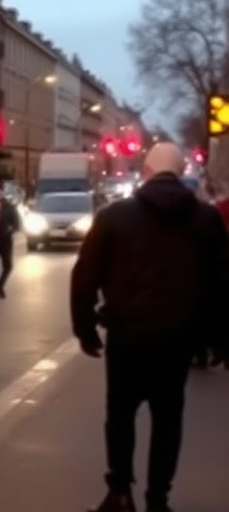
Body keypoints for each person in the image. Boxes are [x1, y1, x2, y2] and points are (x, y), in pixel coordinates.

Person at [71, 142, 229, 512]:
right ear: (178, 171)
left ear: (145, 172)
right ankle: (159, 498)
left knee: (120, 416)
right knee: (168, 419)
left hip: (127, 336)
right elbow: (222, 282)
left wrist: (86, 329)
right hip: (178, 339)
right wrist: (221, 338)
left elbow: (84, 279)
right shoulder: (205, 219)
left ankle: (120, 491)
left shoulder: (113, 217)